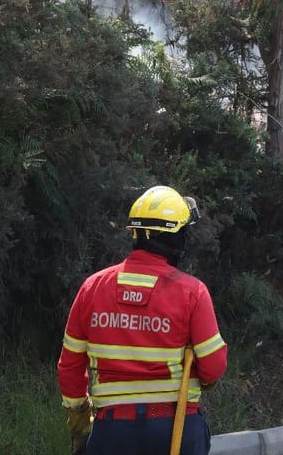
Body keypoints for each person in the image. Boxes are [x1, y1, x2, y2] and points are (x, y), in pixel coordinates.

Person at [57, 185, 228, 455]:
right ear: (177, 238)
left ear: (136, 234)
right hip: (176, 428)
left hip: (111, 433)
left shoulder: (93, 288)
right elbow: (214, 367)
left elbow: (69, 367)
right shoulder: (192, 292)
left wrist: (79, 419)